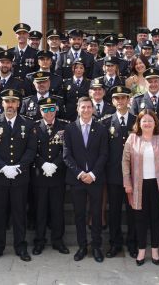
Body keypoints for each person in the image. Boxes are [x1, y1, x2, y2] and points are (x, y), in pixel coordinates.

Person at [0, 89, 37, 262]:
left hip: (20, 177)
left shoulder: (28, 124)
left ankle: (20, 246)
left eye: (14, 102)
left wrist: (18, 168)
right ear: (2, 103)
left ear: (19, 104)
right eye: (7, 101)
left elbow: (31, 149)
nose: (10, 105)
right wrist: (4, 168)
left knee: (19, 213)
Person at [122, 110, 159, 266]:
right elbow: (125, 162)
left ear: (155, 123)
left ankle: (155, 250)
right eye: (143, 121)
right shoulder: (132, 139)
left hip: (158, 184)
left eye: (150, 121)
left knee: (156, 219)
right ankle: (141, 250)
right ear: (139, 123)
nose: (147, 124)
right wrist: (127, 182)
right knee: (140, 219)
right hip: (139, 185)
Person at [63, 97, 109, 263]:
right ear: (78, 109)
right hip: (77, 180)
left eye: (89, 107)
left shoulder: (101, 128)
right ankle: (82, 246)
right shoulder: (69, 128)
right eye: (83, 107)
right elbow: (67, 155)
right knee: (79, 215)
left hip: (95, 179)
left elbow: (104, 154)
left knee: (96, 214)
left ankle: (96, 246)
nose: (86, 110)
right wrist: (81, 174)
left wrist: (93, 174)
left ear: (93, 109)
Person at [100, 86, 138, 258]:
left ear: (129, 100)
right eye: (117, 98)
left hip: (134, 175)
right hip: (114, 175)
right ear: (113, 101)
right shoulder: (106, 122)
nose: (120, 101)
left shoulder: (137, 121)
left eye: (124, 98)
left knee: (133, 211)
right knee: (114, 211)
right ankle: (114, 243)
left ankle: (132, 243)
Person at [31, 98, 70, 255]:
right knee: (40, 210)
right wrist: (43, 164)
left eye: (51, 109)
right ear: (41, 111)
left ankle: (58, 241)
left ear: (56, 109)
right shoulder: (33, 127)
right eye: (45, 110)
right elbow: (31, 149)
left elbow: (67, 149)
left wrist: (55, 164)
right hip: (40, 175)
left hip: (57, 175)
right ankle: (39, 241)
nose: (48, 112)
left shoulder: (65, 126)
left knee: (57, 210)